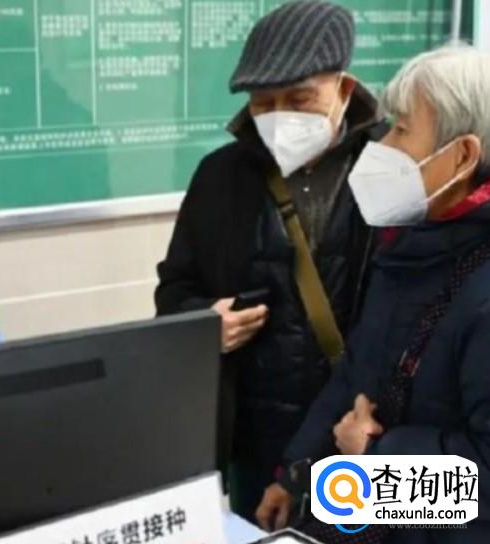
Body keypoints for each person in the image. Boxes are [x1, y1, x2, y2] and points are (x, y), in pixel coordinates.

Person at [155, 0, 387, 518]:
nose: (282, 116)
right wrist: (201, 323)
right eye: (264, 103)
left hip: (361, 432)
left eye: (300, 99)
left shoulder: (393, 167)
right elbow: (173, 289)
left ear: (344, 89)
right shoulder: (220, 177)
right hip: (253, 436)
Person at [256, 46, 490, 543]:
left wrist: (372, 460)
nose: (382, 144)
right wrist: (297, 473)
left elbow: (484, 485)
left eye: (402, 129)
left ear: (463, 156)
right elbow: (357, 373)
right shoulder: (410, 245)